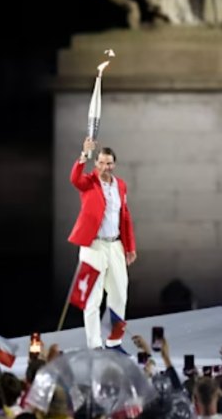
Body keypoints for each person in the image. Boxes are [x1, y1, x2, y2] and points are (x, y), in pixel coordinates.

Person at [68, 137, 137, 350]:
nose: (104, 167)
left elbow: (124, 216)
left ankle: (114, 342)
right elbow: (74, 179)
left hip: (114, 244)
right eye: (100, 162)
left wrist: (130, 246)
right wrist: (83, 155)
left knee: (119, 294)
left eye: (108, 163)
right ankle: (95, 345)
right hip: (93, 246)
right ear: (95, 163)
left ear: (113, 164)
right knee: (91, 297)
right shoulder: (88, 182)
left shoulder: (121, 185)